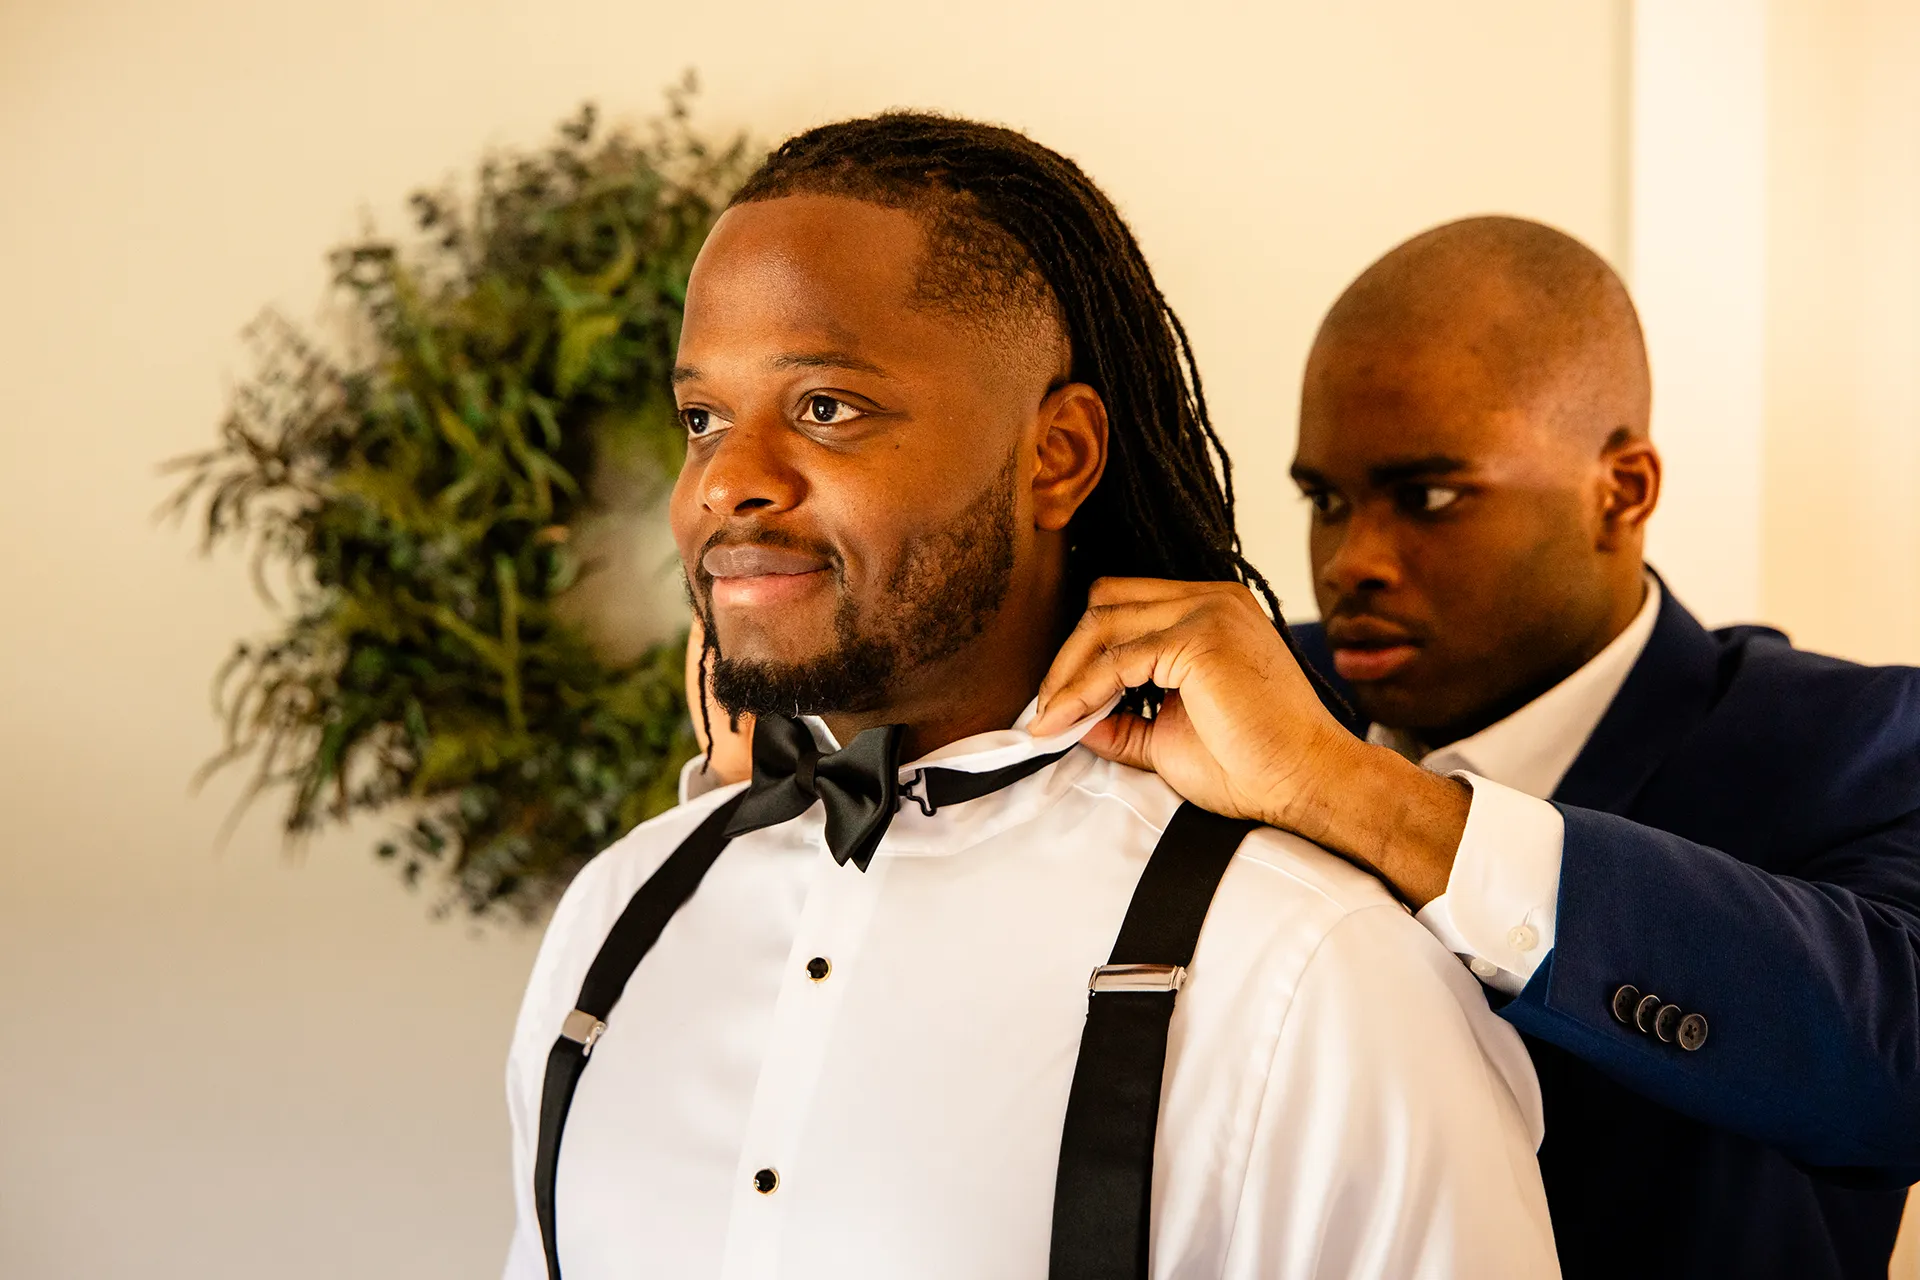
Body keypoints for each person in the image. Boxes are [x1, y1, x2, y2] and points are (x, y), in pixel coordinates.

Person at [502, 119, 1559, 1279]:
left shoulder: (1310, 968)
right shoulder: (617, 916)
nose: (727, 481)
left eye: (826, 408)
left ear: (1054, 456)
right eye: (702, 417)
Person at [1030, 215, 1920, 1279]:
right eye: (1325, 500)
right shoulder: (1224, 690)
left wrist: (1361, 795)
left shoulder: (1854, 741)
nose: (1350, 560)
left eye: (1431, 497)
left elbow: (1896, 1066)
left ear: (1621, 492)